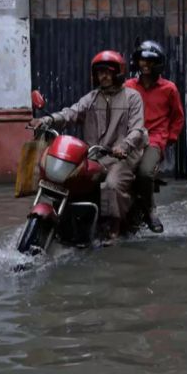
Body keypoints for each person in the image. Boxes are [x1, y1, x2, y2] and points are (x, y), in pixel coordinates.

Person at [29, 50, 147, 239]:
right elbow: (72, 112)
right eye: (100, 72)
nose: (104, 76)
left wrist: (124, 146)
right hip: (95, 155)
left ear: (118, 73)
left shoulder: (132, 98)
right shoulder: (92, 98)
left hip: (121, 156)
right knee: (68, 177)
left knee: (112, 184)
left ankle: (112, 227)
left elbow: (137, 130)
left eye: (108, 72)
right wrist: (48, 120)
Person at [124, 40, 185, 233]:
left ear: (158, 64)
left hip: (155, 140)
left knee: (144, 172)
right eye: (142, 61)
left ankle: (151, 209)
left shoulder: (169, 89)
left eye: (150, 61)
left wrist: (169, 139)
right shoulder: (128, 86)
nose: (146, 65)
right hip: (130, 138)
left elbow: (178, 118)